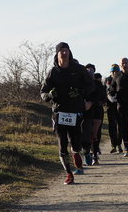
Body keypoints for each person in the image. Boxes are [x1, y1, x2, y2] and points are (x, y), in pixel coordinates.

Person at [41, 42, 95, 185]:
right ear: (57, 54)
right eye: (61, 51)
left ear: (70, 53)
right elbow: (43, 92)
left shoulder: (78, 69)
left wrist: (81, 92)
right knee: (62, 143)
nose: (64, 54)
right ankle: (69, 174)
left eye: (66, 51)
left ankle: (76, 152)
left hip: (75, 111)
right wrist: (49, 95)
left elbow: (91, 85)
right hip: (59, 111)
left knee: (75, 143)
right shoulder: (53, 72)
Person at [104, 64, 123, 154]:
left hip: (119, 105)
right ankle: (113, 145)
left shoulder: (121, 79)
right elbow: (105, 91)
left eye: (116, 71)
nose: (114, 73)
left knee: (120, 125)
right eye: (113, 71)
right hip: (110, 105)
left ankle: (119, 144)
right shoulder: (107, 80)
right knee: (112, 126)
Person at [91, 72, 106, 164]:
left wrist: (99, 102)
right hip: (86, 111)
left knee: (95, 134)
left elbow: (104, 98)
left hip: (97, 111)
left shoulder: (101, 86)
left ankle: (95, 155)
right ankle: (90, 153)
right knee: (88, 134)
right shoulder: (84, 83)